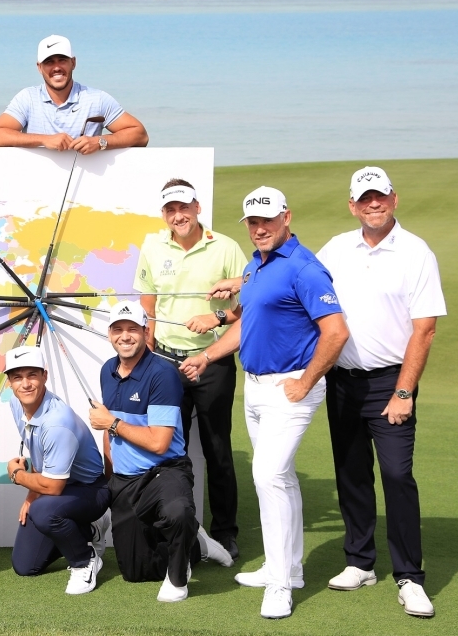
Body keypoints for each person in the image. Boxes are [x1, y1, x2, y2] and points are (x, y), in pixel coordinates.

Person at [181, 187, 349, 619]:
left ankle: (279, 587)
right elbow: (245, 325)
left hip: (290, 387)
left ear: (286, 218)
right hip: (255, 388)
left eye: (267, 221)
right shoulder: (255, 266)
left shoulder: (305, 268)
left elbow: (336, 332)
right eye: (252, 223)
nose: (259, 229)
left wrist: (306, 380)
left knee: (268, 476)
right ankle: (286, 568)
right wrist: (206, 354)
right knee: (282, 478)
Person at [316, 167, 445, 618]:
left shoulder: (415, 252)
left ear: (394, 198)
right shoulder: (335, 249)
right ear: (353, 205)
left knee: (395, 475)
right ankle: (360, 561)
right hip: (343, 382)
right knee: (351, 474)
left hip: (392, 383)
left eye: (381, 195)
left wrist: (405, 392)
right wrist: (242, 287)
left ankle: (410, 575)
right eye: (365, 198)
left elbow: (424, 330)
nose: (374, 203)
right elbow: (298, 284)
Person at [87, 301, 232, 604]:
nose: (124, 336)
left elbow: (158, 443)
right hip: (126, 480)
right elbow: (109, 433)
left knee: (178, 511)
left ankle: (179, 579)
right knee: (137, 572)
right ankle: (197, 544)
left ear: (146, 331)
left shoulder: (162, 374)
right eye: (117, 330)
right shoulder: (107, 370)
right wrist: (110, 477)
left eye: (132, 330)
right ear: (109, 334)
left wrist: (112, 422)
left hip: (163, 472)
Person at [133, 179, 248, 560]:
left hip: (212, 360)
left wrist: (217, 318)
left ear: (197, 207)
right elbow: (147, 293)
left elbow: (251, 302)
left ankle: (225, 532)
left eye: (184, 207)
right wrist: (148, 331)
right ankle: (178, 531)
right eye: (170, 210)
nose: (178, 215)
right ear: (164, 213)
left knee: (217, 450)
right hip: (166, 360)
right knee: (167, 450)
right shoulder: (153, 245)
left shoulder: (226, 247)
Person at [3, 345, 111, 595]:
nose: (25, 384)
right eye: (17, 377)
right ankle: (87, 529)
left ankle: (85, 560)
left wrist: (17, 475)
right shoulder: (17, 404)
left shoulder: (57, 423)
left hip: (91, 490)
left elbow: (52, 487)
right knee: (25, 565)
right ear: (9, 382)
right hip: (60, 488)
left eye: (32, 375)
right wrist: (32, 493)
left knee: (42, 510)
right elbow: (39, 453)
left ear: (44, 376)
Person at [0, 34, 148, 153]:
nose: (56, 67)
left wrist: (99, 142)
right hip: (35, 182)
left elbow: (140, 135)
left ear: (73, 63)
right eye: (49, 62)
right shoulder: (27, 98)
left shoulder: (96, 98)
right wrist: (45, 139)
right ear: (39, 67)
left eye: (62, 60)